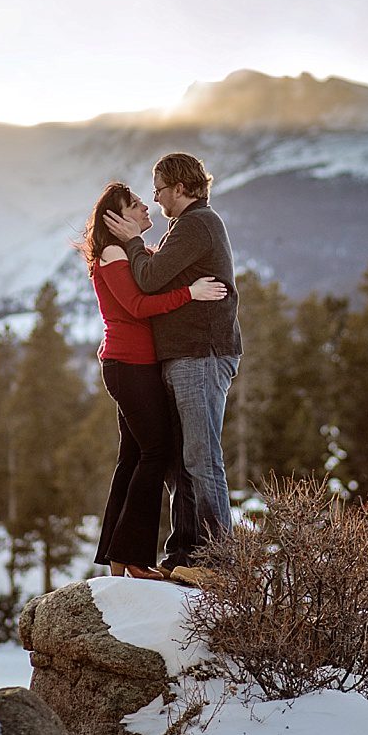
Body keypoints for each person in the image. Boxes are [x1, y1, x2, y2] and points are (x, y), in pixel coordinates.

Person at [103, 152, 241, 585]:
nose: (156, 197)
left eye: (160, 188)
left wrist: (129, 244)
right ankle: (186, 553)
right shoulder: (185, 228)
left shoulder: (197, 224)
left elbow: (148, 277)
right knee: (183, 459)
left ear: (181, 188)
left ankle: (220, 560)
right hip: (184, 356)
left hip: (201, 353)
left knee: (200, 456)